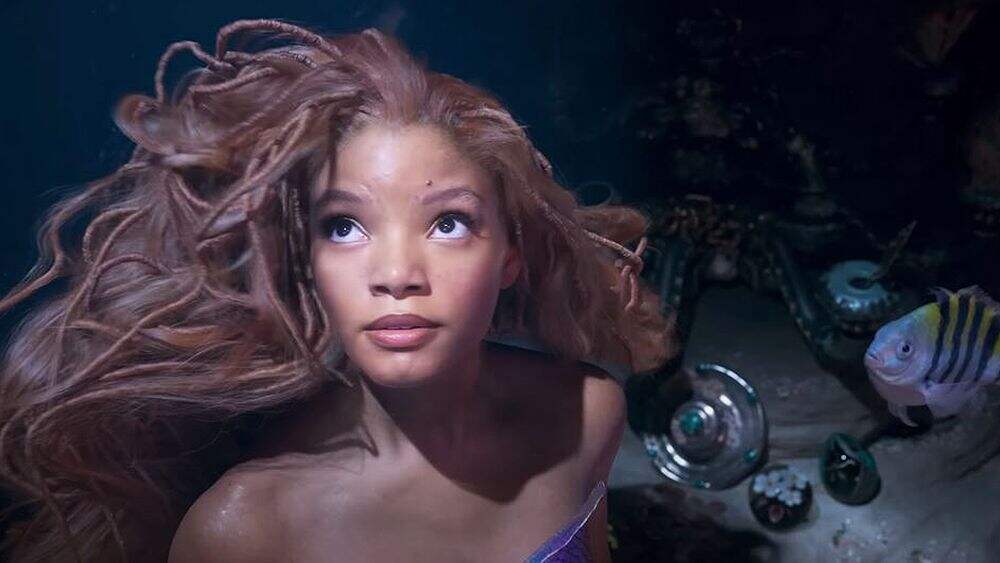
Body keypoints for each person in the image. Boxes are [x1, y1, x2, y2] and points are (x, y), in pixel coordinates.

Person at [0, 19, 676, 562]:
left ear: (510, 258)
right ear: (307, 264)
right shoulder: (245, 529)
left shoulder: (585, 415)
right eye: (345, 227)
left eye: (448, 222)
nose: (396, 273)